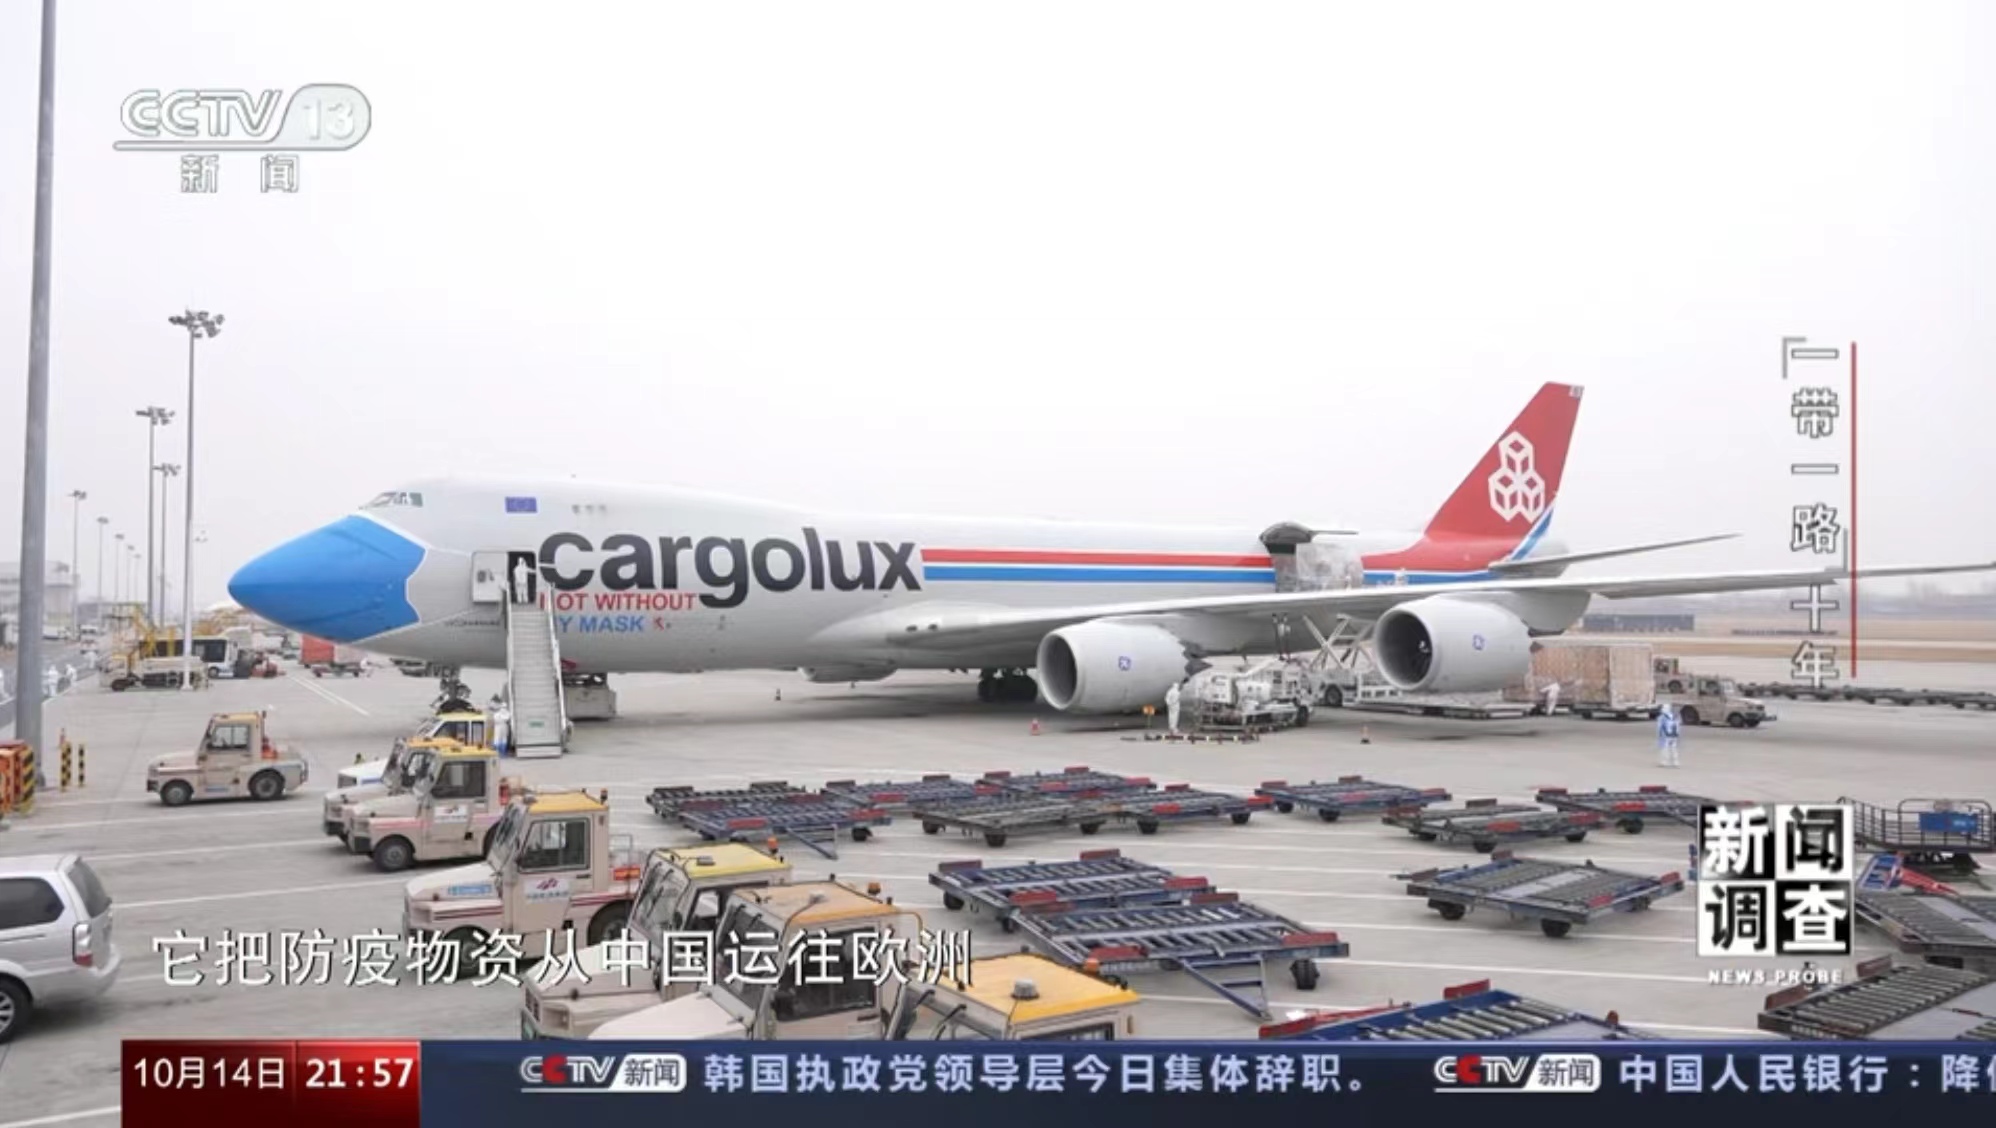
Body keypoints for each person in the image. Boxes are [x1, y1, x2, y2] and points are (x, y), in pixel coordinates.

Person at [1656, 703, 1682, 768]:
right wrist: (1677, 734)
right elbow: (1678, 725)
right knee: (1674, 748)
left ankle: (1664, 762)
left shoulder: (1661, 717)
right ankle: (1676, 762)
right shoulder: (1675, 716)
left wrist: (1660, 735)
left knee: (1665, 748)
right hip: (1674, 735)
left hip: (1665, 736)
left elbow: (1659, 727)